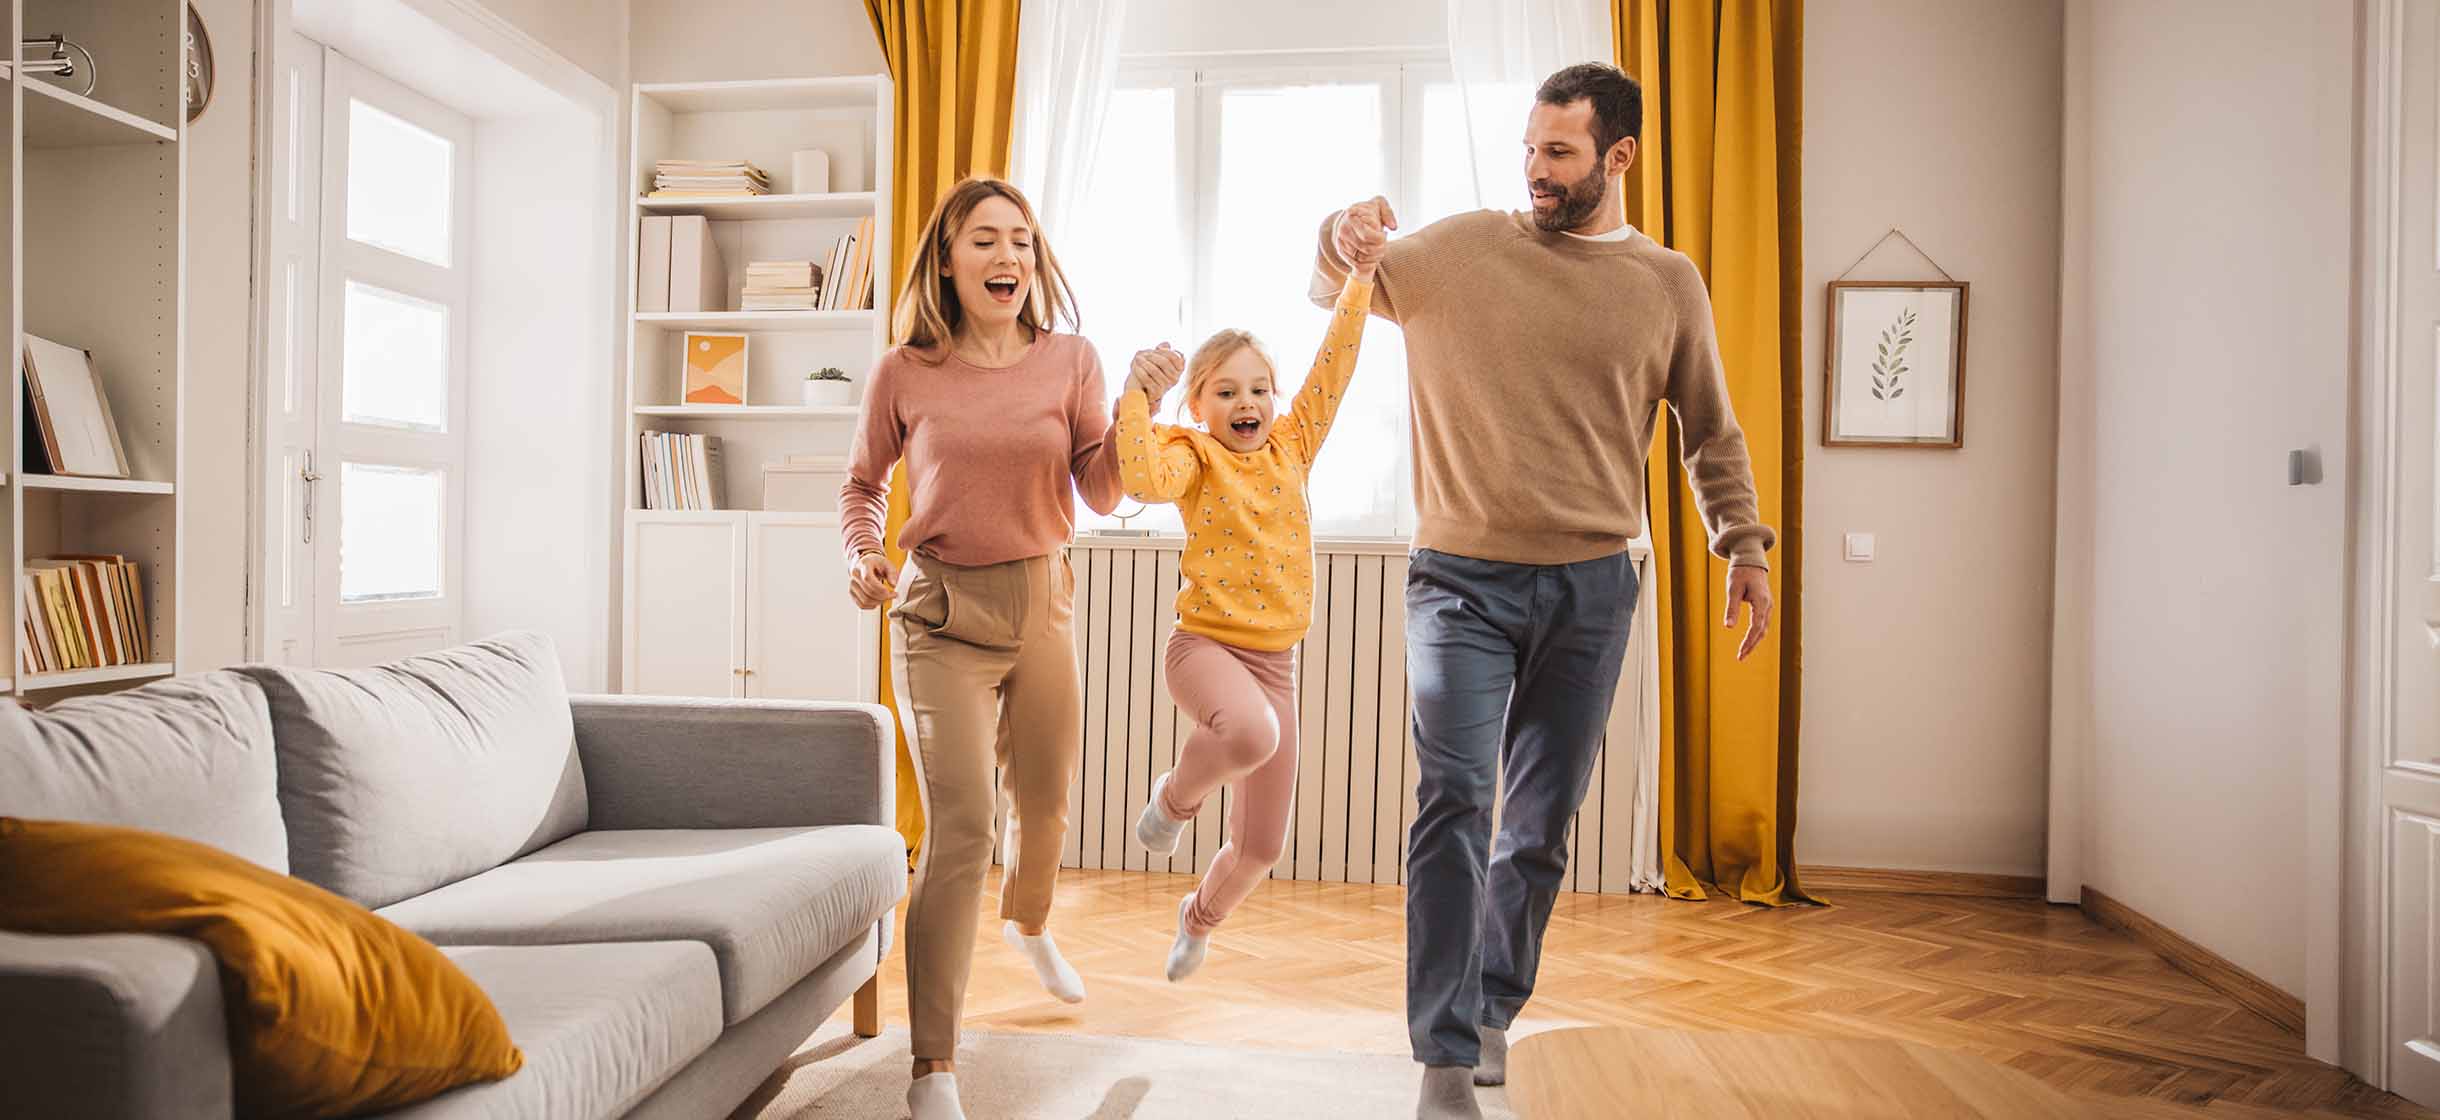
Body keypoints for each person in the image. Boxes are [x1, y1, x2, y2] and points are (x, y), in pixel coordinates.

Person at [1307, 63, 1778, 1120]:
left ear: (1617, 157)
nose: (1535, 171)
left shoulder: (1666, 282)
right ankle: (1438, 1052)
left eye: (1559, 153)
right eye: (1528, 148)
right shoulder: (1464, 249)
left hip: (1593, 587)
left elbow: (1709, 428)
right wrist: (1337, 233)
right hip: (1457, 584)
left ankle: (1488, 1014)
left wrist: (1742, 546)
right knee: (1455, 797)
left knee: (1537, 824)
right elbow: (1337, 278)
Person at [838, 175, 1124, 1120]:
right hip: (939, 617)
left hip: (1044, 604)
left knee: (1042, 806)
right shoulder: (904, 372)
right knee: (961, 831)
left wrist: (1137, 414)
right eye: (986, 241)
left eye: (1023, 241)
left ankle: (1030, 920)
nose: (1009, 257)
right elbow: (862, 488)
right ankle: (933, 1069)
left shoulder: (1071, 359)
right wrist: (862, 556)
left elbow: (1104, 491)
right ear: (949, 261)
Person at [1114, 210, 1387, 982]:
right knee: (1251, 734)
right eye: (1227, 391)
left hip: (1276, 664)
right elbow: (1140, 479)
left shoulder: (1294, 445)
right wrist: (1135, 398)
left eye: (1260, 389)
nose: (1249, 403)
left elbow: (1334, 365)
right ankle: (1174, 799)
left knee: (1264, 844)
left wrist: (1361, 277)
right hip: (1203, 648)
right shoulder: (1191, 455)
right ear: (1198, 404)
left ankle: (1198, 917)